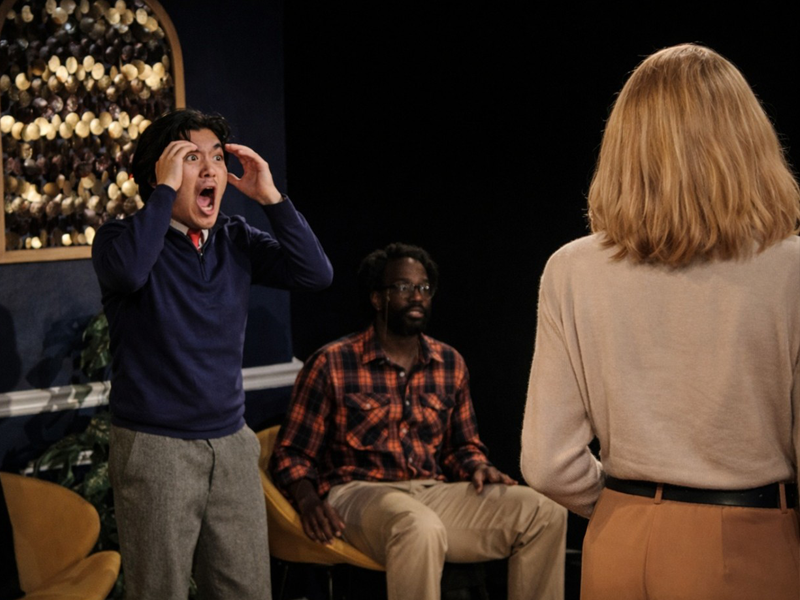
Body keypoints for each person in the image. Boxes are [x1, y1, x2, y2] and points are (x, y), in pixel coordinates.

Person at [521, 44, 800, 600]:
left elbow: (547, 463)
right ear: (748, 138)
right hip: (750, 544)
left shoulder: (571, 268)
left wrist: (630, 510)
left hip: (617, 544)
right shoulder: (791, 269)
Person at [92, 108, 333, 600]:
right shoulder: (120, 240)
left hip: (232, 444)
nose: (209, 169)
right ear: (160, 173)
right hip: (155, 448)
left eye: (217, 158)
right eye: (190, 158)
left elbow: (315, 274)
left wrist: (271, 199)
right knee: (160, 591)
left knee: (246, 590)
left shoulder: (234, 238)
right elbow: (130, 274)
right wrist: (164, 192)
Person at [271, 242, 567, 600]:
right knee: (418, 526)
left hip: (431, 491)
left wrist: (478, 466)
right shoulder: (332, 362)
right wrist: (308, 502)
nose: (417, 296)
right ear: (377, 298)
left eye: (424, 288)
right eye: (403, 287)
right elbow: (291, 453)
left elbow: (462, 447)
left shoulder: (448, 363)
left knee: (544, 511)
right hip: (357, 494)